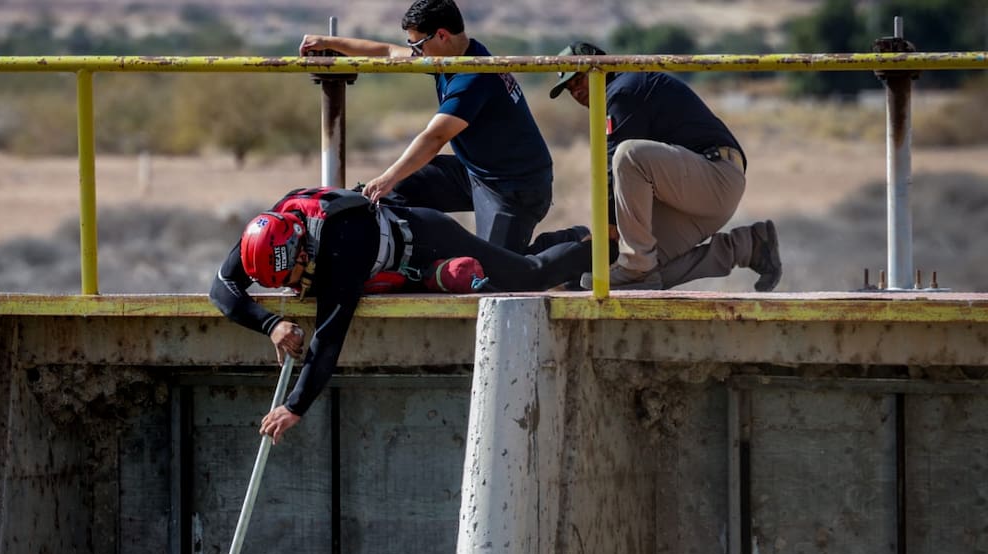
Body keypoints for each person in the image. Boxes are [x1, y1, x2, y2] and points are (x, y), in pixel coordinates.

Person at [210, 187, 591, 443]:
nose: (289, 289)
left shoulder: (342, 245)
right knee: (510, 269)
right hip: (391, 268)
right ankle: (558, 243)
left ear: (303, 251)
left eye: (291, 279)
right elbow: (222, 291)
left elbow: (329, 335)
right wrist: (271, 323)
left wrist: (295, 406)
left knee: (527, 278)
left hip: (427, 241)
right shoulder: (266, 235)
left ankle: (594, 247)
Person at [299, 0, 553, 254]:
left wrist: (388, 177)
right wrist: (328, 42)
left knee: (496, 271)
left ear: (441, 35)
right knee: (397, 189)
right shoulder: (454, 56)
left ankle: (570, 243)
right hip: (476, 171)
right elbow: (388, 51)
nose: (416, 53)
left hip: (515, 187)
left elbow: (435, 137)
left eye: (418, 45)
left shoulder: (473, 77)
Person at [549, 41, 782, 292]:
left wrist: (607, 226)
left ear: (600, 66)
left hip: (714, 175)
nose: (576, 91)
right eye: (569, 88)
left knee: (629, 155)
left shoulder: (623, 90)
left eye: (578, 79)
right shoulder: (621, 90)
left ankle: (635, 264)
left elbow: (613, 165)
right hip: (695, 191)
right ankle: (749, 246)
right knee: (646, 274)